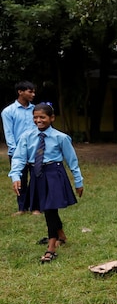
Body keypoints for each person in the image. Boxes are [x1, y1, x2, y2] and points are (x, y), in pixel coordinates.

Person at [9, 102, 84, 262]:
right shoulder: (27, 136)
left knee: (50, 209)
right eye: (35, 117)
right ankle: (61, 235)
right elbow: (19, 158)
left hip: (54, 174)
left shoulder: (61, 137)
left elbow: (72, 160)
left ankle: (51, 247)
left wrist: (78, 181)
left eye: (42, 117)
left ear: (51, 118)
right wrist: (15, 176)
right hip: (37, 175)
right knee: (47, 207)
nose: (38, 120)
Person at [2, 81, 38, 215]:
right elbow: (9, 133)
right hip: (17, 151)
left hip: (34, 151)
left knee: (36, 178)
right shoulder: (8, 111)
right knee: (20, 179)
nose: (33, 94)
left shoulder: (36, 110)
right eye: (30, 91)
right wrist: (16, 151)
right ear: (20, 92)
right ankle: (22, 208)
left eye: (34, 91)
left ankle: (35, 207)